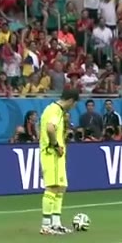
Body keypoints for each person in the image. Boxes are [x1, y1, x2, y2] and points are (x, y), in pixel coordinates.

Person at [39, 88, 81, 235]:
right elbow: (50, 128)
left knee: (60, 188)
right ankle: (46, 225)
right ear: (71, 101)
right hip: (52, 154)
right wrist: (56, 145)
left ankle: (56, 223)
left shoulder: (55, 110)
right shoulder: (55, 110)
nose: (73, 107)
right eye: (74, 104)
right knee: (52, 187)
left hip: (57, 155)